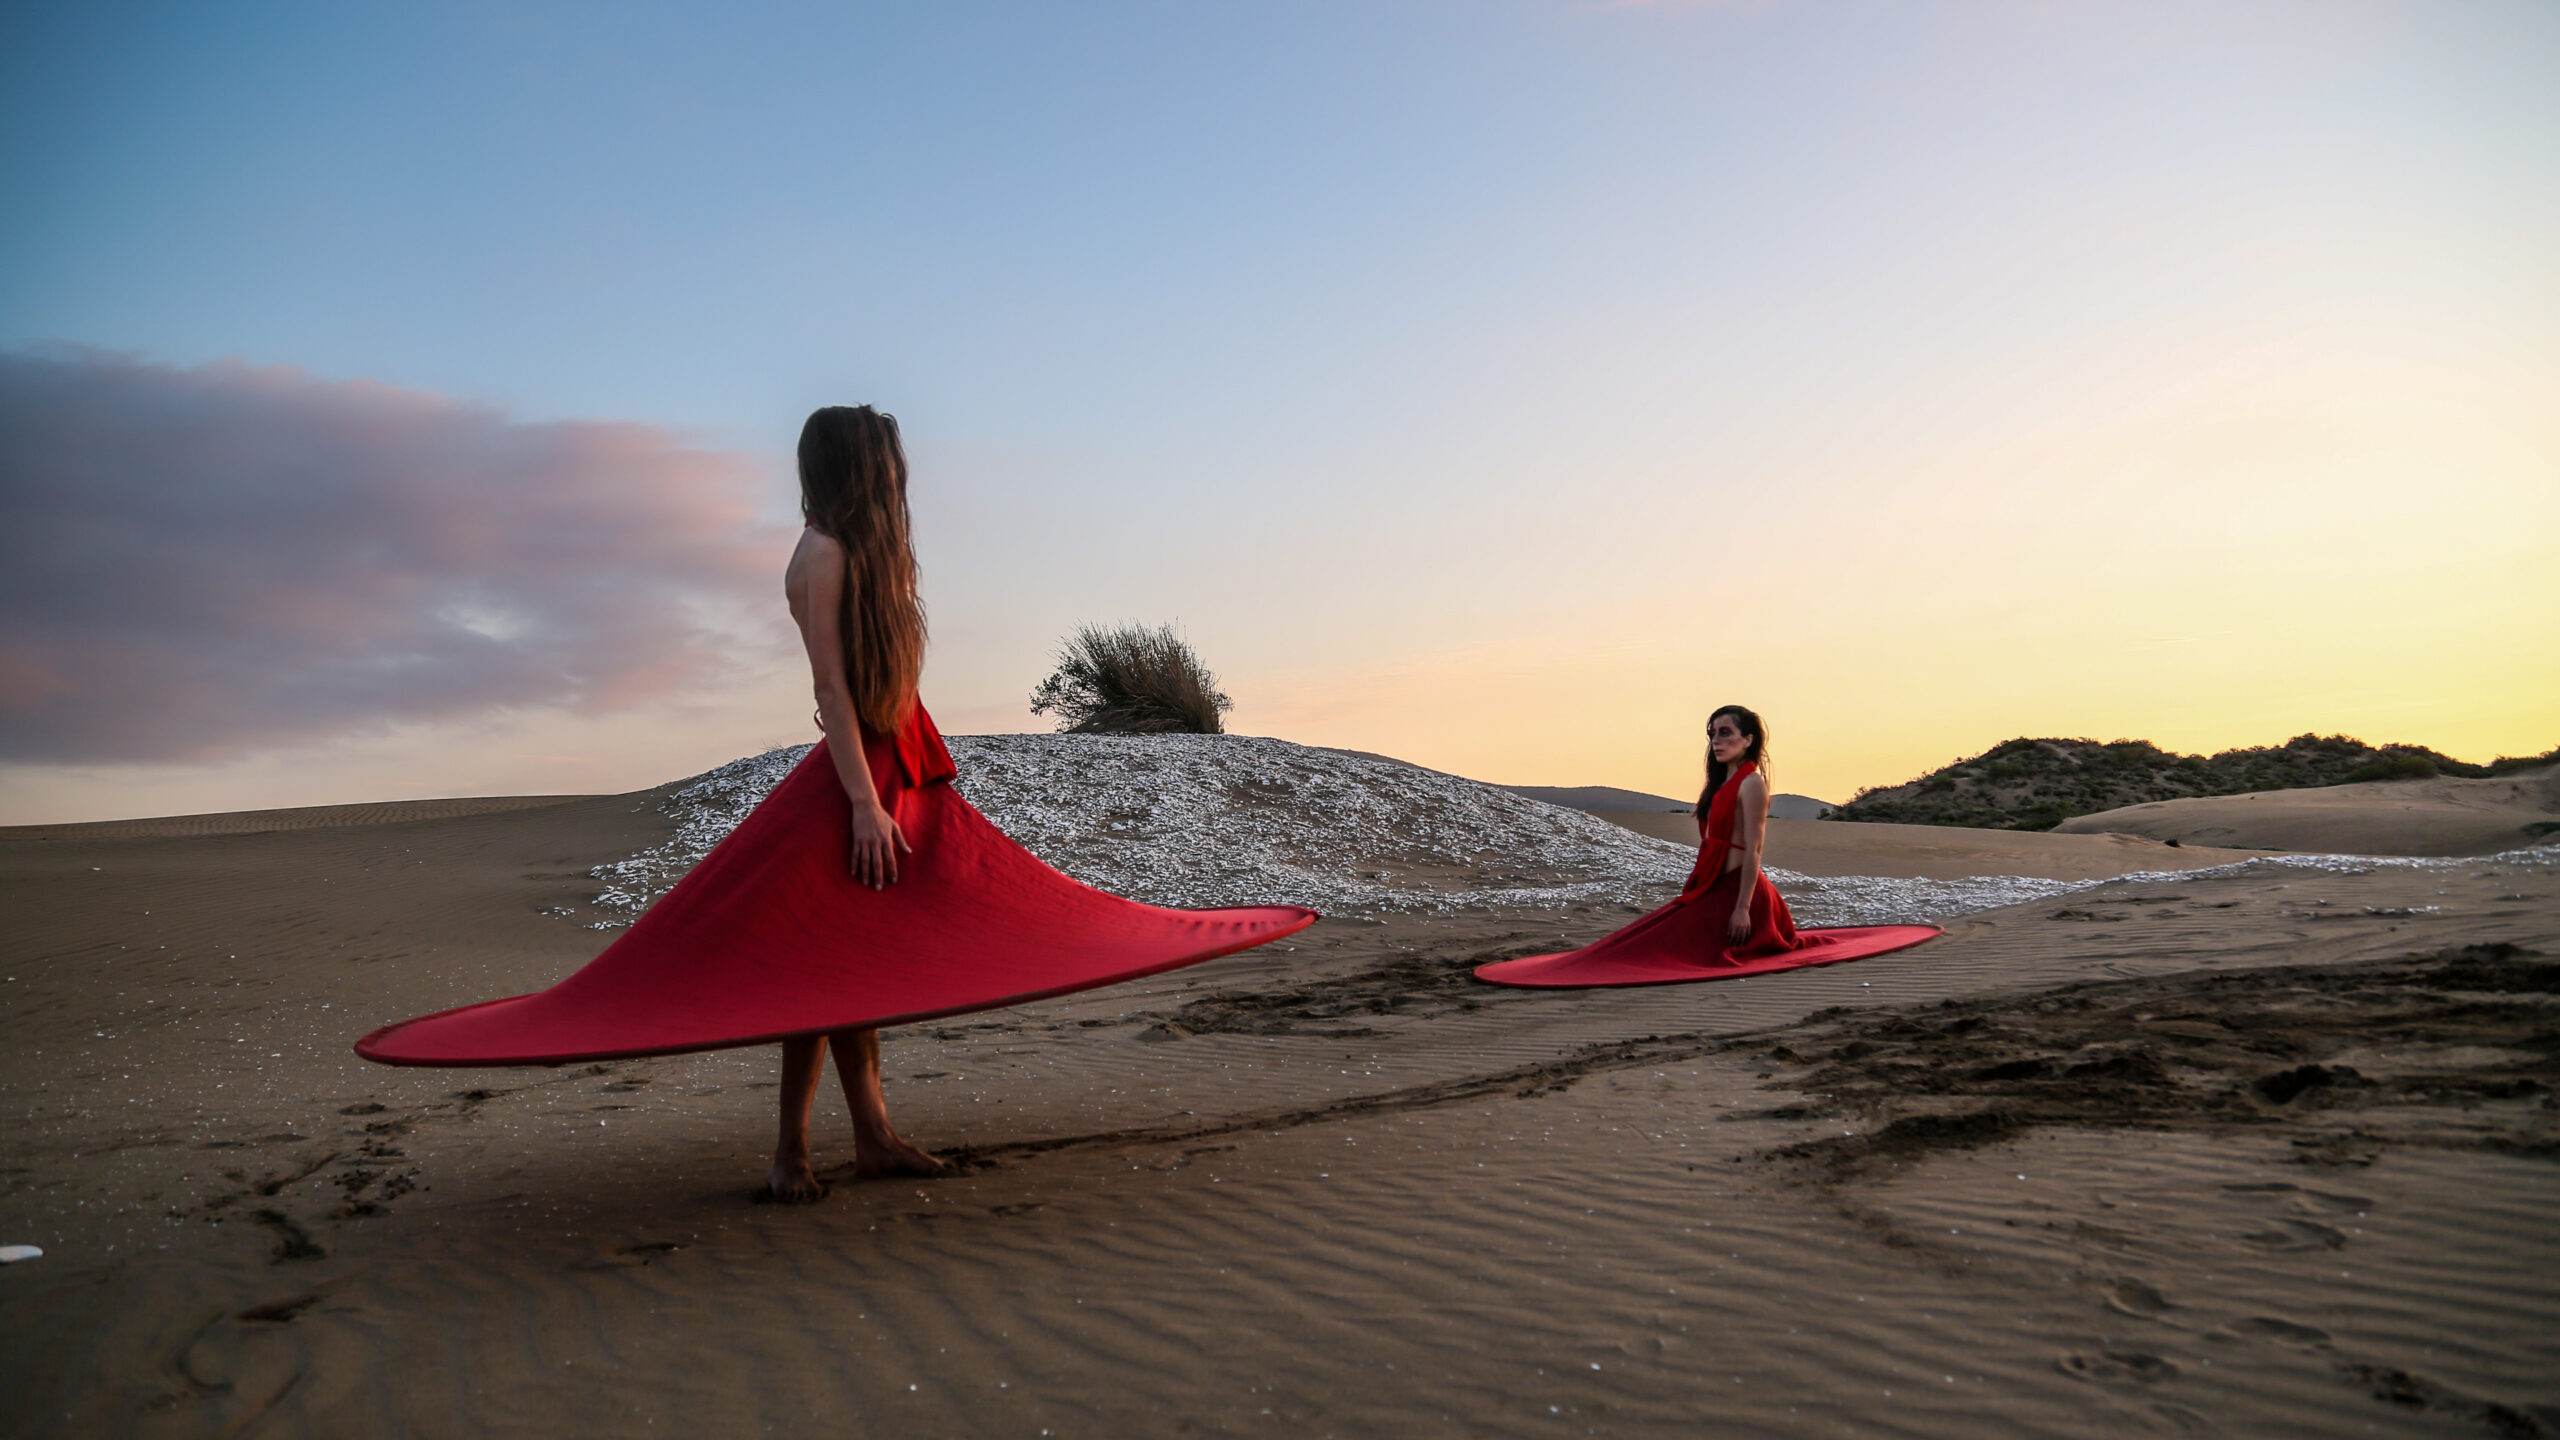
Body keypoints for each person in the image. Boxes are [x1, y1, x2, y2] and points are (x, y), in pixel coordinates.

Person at [767, 404, 946, 1199]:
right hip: (856, 783)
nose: (895, 477)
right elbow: (830, 690)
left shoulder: (851, 551)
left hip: (880, 766)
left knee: (852, 962)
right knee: (818, 967)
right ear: (858, 470)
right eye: (884, 463)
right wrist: (864, 806)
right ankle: (791, 1156)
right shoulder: (825, 553)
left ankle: (871, 1135)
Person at [1678, 703, 1801, 960]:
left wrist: (1742, 909)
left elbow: (1754, 849)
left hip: (1741, 896)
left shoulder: (1752, 783)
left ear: (1748, 740)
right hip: (1714, 887)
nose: (1716, 741)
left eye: (1725, 732)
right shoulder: (1720, 785)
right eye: (1712, 734)